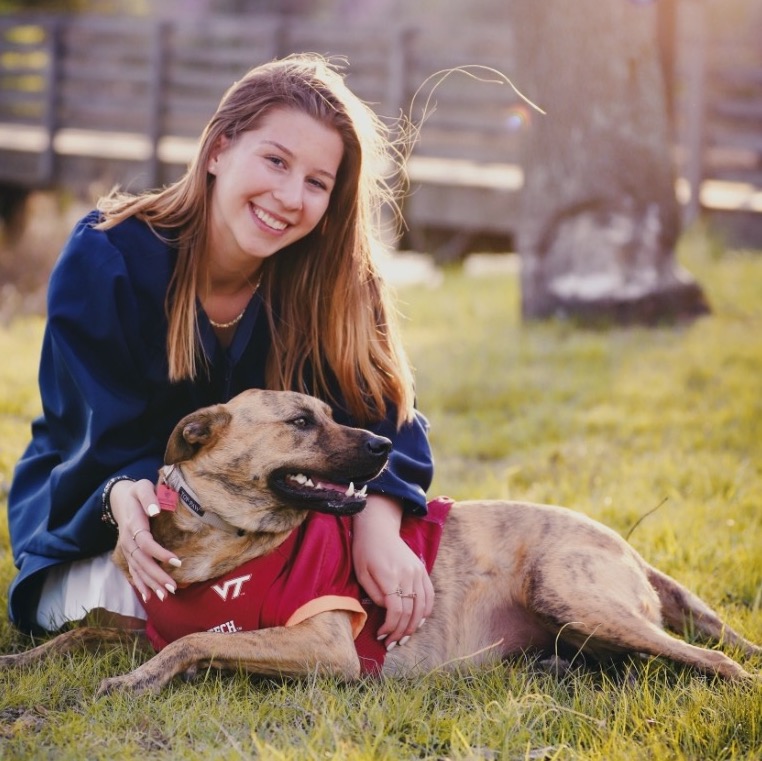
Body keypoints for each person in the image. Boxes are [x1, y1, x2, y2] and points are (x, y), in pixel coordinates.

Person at [7, 54, 434, 654]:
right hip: (114, 511)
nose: (289, 196)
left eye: (317, 182)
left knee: (372, 582)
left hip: (263, 526)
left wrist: (377, 522)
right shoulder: (107, 259)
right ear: (218, 150)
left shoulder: (336, 282)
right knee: (104, 602)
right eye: (275, 161)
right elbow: (93, 439)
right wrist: (124, 497)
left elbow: (388, 416)